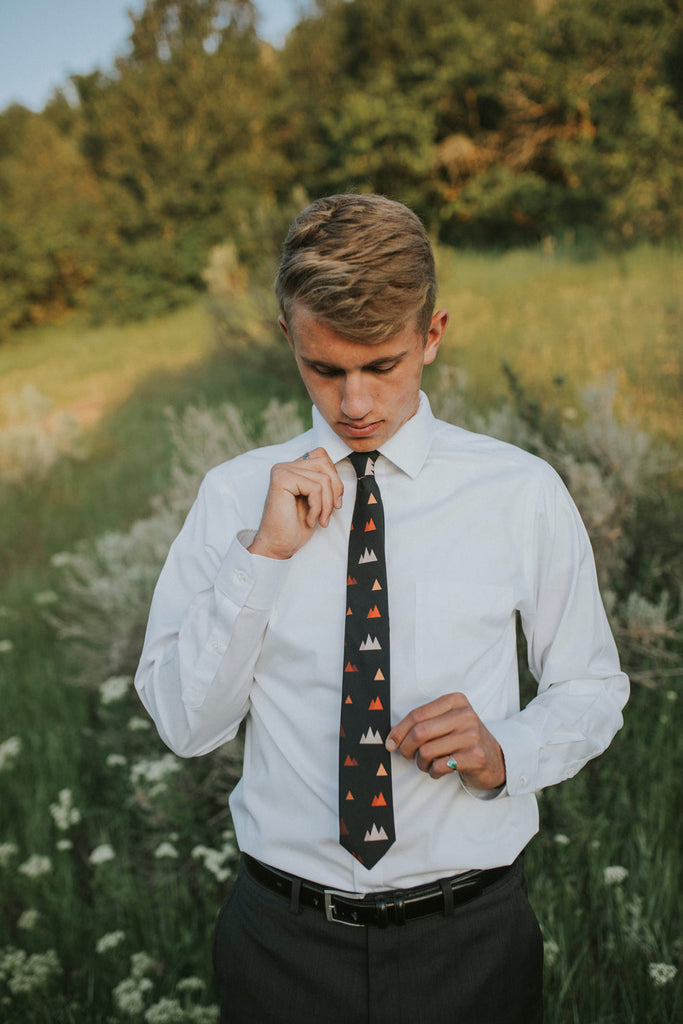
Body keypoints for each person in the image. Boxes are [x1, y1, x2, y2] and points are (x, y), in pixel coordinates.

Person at [134, 193, 629, 1023]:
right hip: (281, 945)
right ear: (287, 335)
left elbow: (591, 686)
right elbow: (186, 726)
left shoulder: (519, 492)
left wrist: (503, 749)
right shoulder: (231, 500)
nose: (355, 404)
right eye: (326, 370)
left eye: (383, 365)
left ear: (432, 335)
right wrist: (261, 559)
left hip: (471, 941)